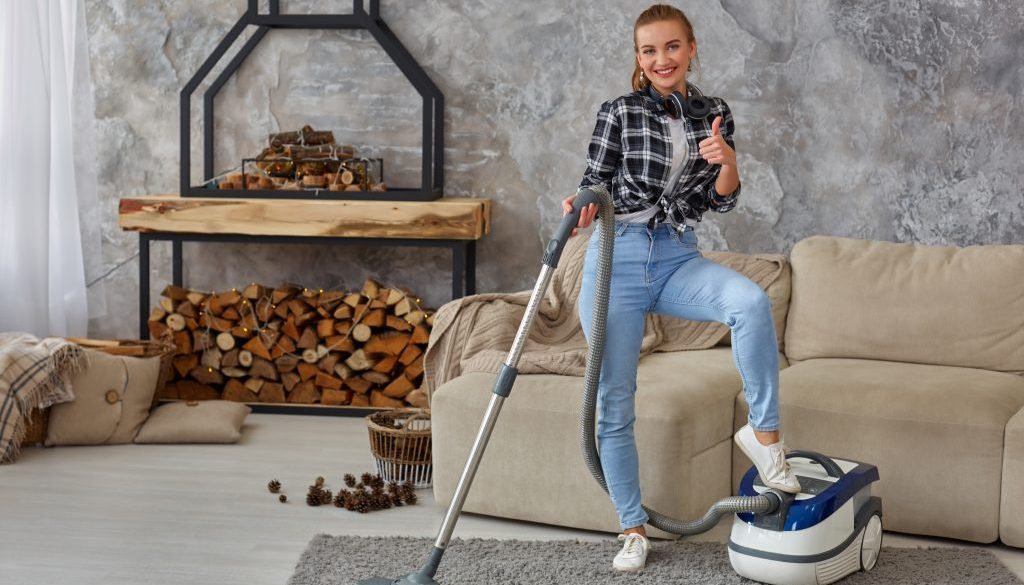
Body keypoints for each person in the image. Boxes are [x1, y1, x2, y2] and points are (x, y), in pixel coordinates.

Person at [563, 3, 801, 573]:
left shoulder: (714, 112)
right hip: (615, 261)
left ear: (691, 49)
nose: (661, 58)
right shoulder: (618, 111)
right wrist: (581, 205)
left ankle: (766, 441)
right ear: (638, 59)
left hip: (675, 256)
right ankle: (632, 527)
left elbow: (721, 198)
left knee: (748, 301)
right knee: (613, 401)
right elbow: (594, 179)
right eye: (649, 50)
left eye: (672, 47)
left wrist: (728, 161)